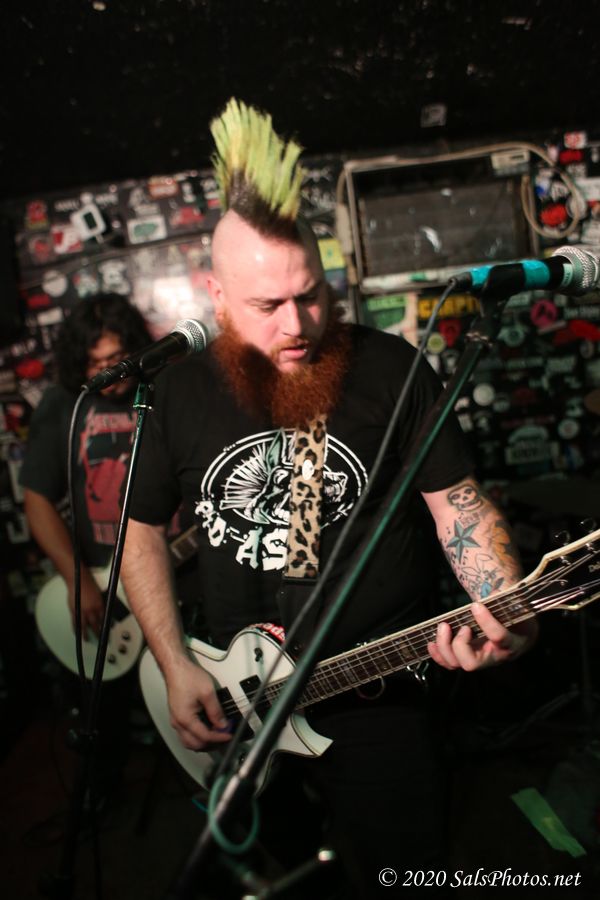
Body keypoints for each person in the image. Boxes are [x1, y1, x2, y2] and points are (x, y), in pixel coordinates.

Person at [121, 100, 538, 896]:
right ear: (216, 295)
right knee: (272, 874)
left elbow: (457, 504)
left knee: (405, 870)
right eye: (267, 307)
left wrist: (505, 606)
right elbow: (139, 534)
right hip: (237, 692)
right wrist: (174, 665)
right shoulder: (175, 393)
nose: (298, 324)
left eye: (310, 294)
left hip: (378, 686)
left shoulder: (390, 368)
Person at [20, 292, 152, 801]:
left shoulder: (161, 392)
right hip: (102, 588)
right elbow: (37, 501)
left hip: (172, 577)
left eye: (117, 359)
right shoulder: (65, 405)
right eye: (95, 364)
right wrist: (78, 581)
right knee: (103, 726)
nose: (109, 373)